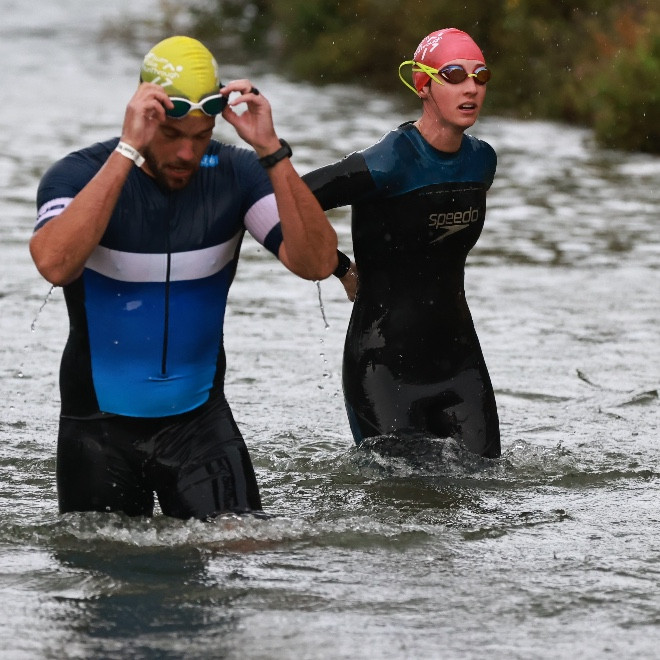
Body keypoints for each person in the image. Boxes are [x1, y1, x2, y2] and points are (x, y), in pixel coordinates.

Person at [30, 36, 340, 519]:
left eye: (201, 136)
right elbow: (54, 264)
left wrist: (272, 151)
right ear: (144, 113)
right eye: (172, 134)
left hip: (199, 426)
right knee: (107, 564)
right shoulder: (78, 175)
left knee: (246, 550)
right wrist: (128, 150)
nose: (187, 153)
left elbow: (316, 263)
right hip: (97, 430)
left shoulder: (237, 174)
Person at [304, 28, 501, 458]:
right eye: (454, 75)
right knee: (400, 494)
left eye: (480, 76)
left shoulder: (481, 161)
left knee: (488, 488)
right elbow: (290, 200)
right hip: (383, 368)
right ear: (422, 84)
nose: (471, 88)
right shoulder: (389, 161)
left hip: (460, 365)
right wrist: (340, 267)